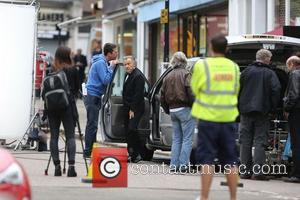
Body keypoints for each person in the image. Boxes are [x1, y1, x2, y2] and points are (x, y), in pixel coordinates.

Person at [191, 35, 240, 200]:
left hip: (207, 118)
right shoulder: (234, 67)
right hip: (228, 119)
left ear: (211, 48)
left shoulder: (202, 65)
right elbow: (236, 90)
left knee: (207, 159)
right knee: (231, 160)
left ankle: (204, 197)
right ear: (226, 49)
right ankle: (233, 197)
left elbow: (195, 88)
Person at [239, 49, 281, 180]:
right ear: (267, 59)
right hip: (262, 112)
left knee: (245, 141)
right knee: (260, 141)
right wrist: (273, 108)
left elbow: (237, 89)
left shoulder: (246, 72)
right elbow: (276, 90)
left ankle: (245, 171)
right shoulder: (270, 73)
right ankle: (258, 172)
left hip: (245, 112)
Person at [42, 46, 79, 177]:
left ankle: (57, 167)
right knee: (70, 136)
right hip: (67, 107)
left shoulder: (52, 69)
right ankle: (71, 168)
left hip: (52, 108)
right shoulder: (72, 69)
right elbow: (76, 90)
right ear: (67, 55)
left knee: (54, 136)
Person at [160, 51, 195, 172]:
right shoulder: (186, 74)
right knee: (187, 139)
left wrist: (167, 109)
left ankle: (174, 165)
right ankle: (184, 165)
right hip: (185, 108)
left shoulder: (167, 76)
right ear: (184, 62)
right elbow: (190, 92)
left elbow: (162, 96)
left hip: (173, 109)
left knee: (177, 139)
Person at [83, 43, 118, 158]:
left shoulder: (103, 62)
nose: (117, 53)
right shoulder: (100, 63)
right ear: (109, 53)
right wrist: (112, 67)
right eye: (115, 51)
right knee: (91, 124)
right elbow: (105, 80)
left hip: (95, 95)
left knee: (93, 125)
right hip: (92, 96)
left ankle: (91, 151)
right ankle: (87, 151)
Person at [122, 56, 145, 163]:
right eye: (125, 64)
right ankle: (131, 153)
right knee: (127, 131)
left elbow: (138, 95)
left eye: (129, 64)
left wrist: (132, 109)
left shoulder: (138, 76)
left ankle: (138, 152)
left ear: (134, 64)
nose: (126, 66)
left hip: (135, 108)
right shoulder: (127, 74)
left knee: (132, 129)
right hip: (127, 108)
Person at [283, 56, 300, 183]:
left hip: (296, 112)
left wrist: (287, 108)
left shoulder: (295, 74)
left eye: (287, 65)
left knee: (296, 143)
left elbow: (293, 94)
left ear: (292, 64)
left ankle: (296, 174)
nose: (287, 69)